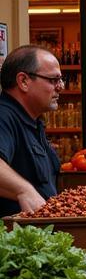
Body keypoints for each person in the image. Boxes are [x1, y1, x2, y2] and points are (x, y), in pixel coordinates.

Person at [0, 45, 62, 215]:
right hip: (12, 239)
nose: (60, 86)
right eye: (53, 80)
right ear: (23, 81)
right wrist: (23, 190)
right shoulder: (4, 116)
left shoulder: (34, 121)